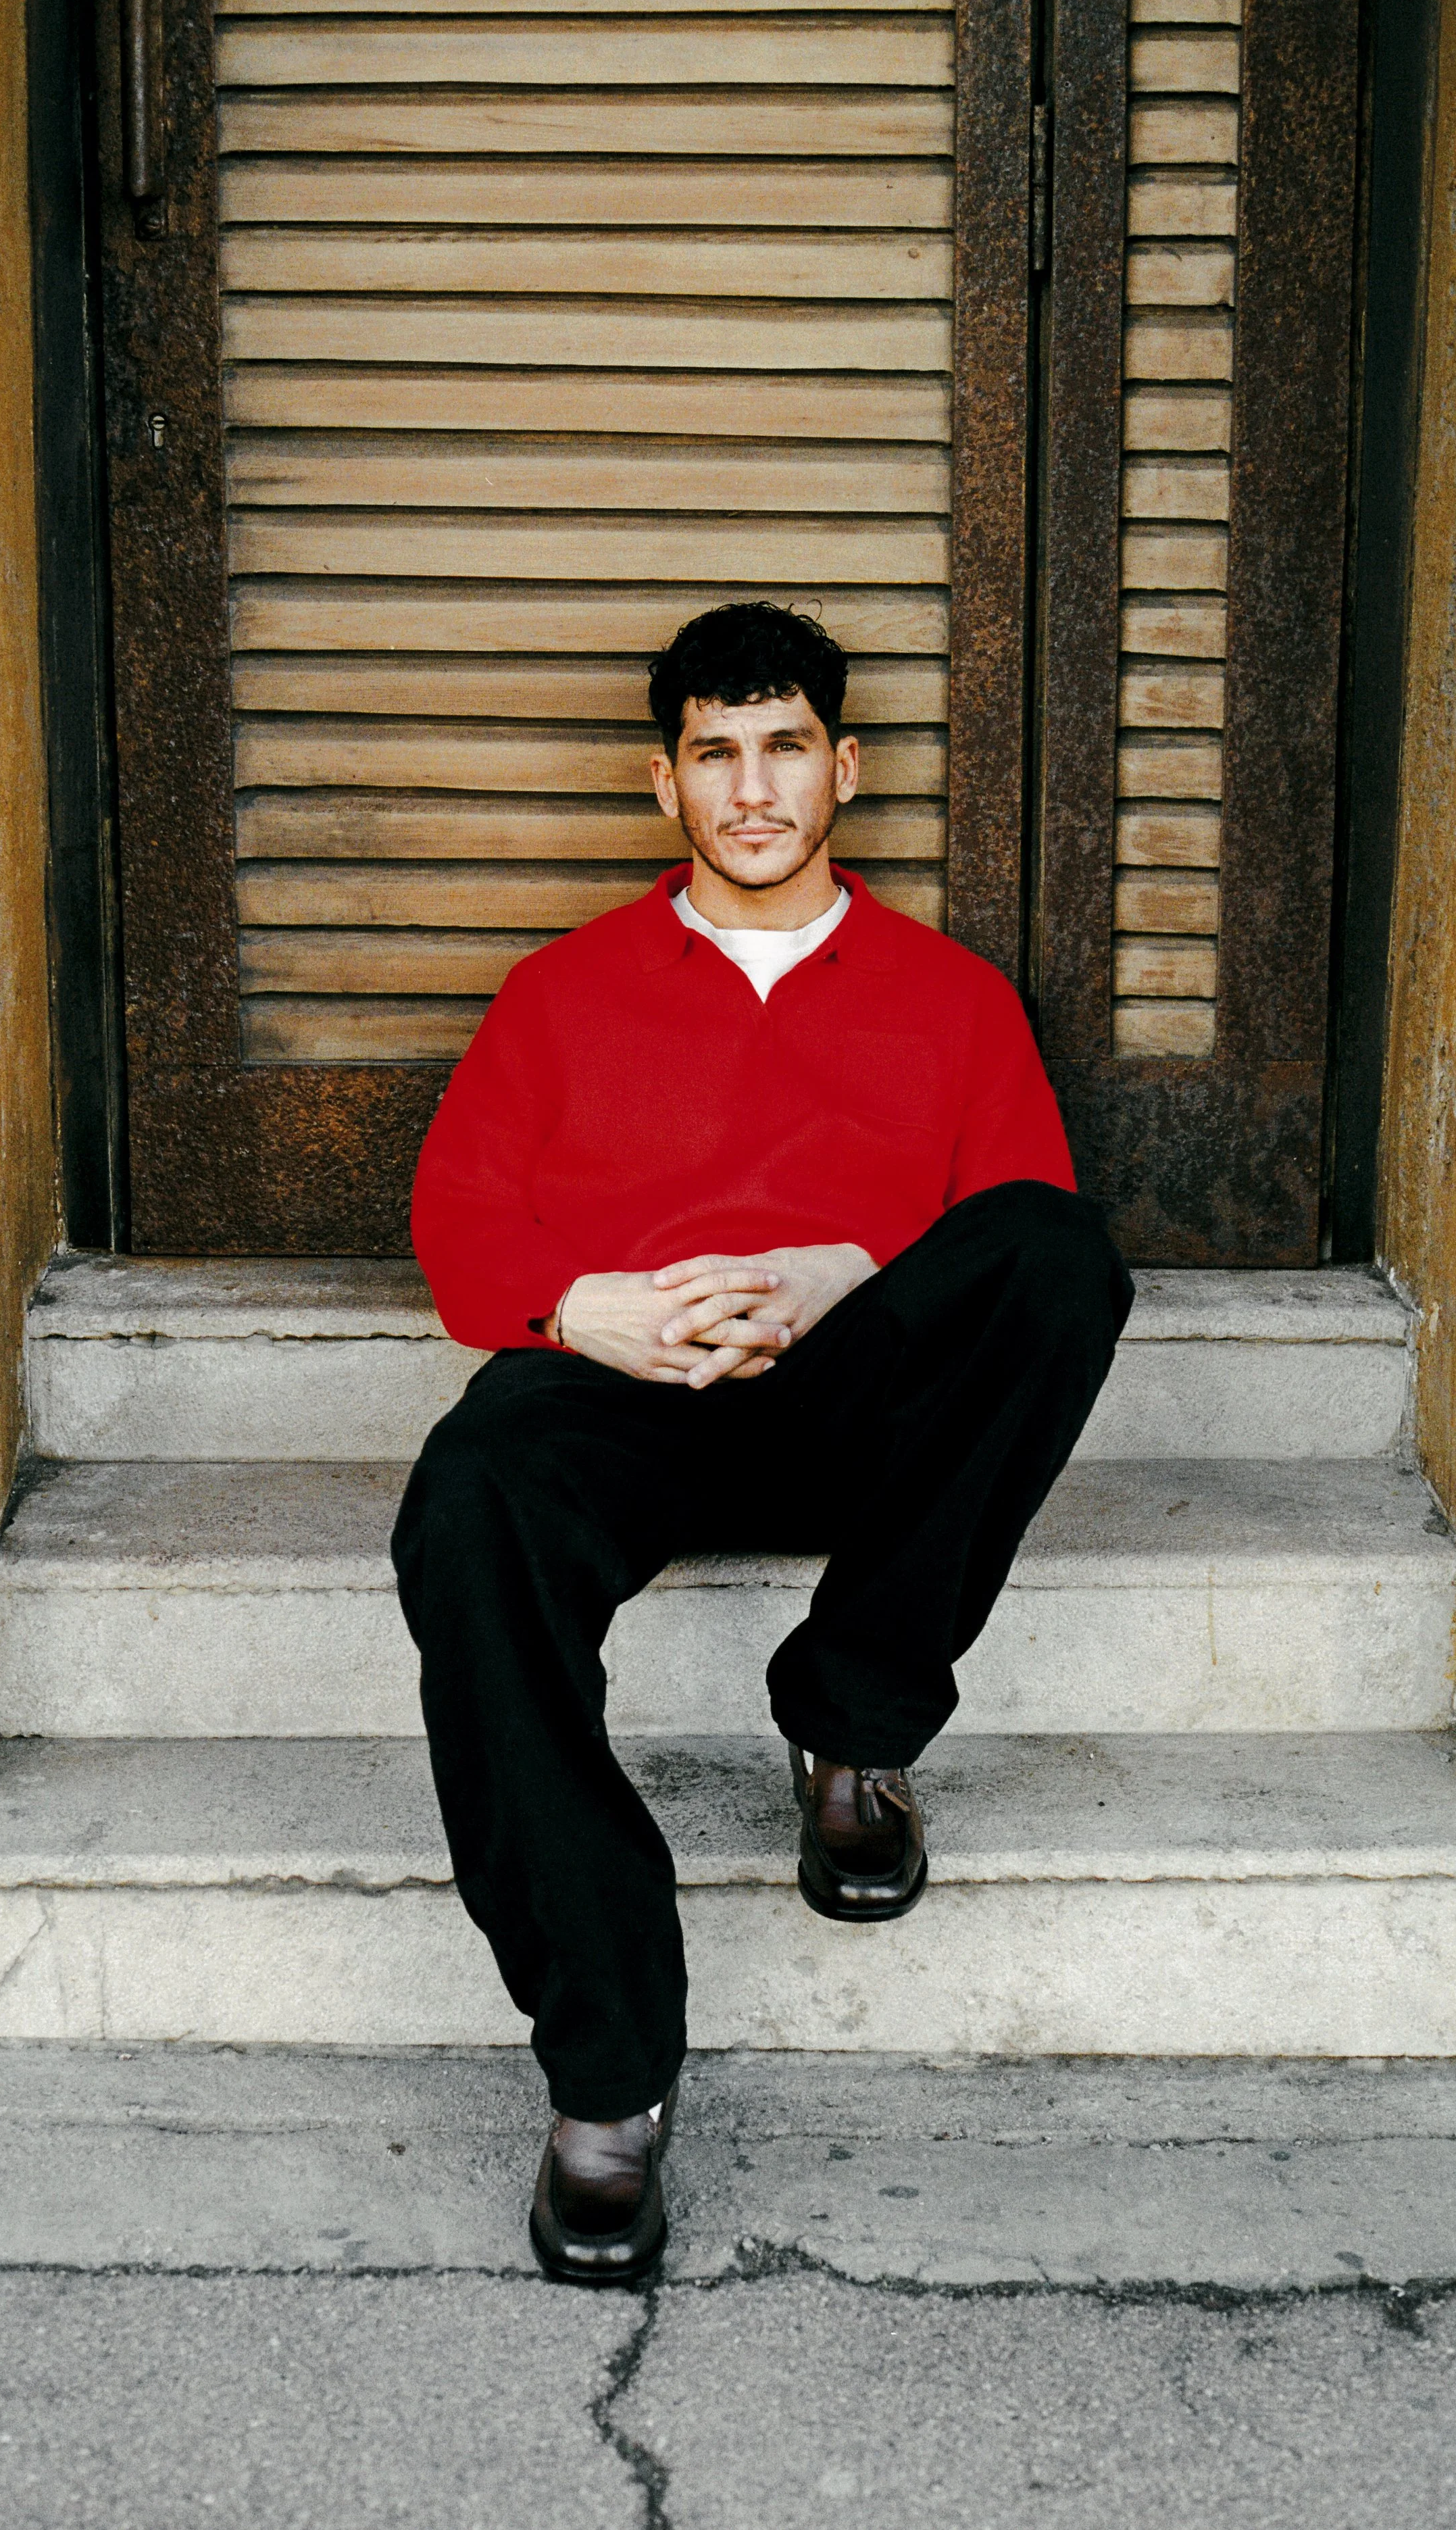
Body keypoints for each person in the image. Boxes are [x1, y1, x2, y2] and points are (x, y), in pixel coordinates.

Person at [391, 602, 1133, 2283]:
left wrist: (849, 1270)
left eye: (783, 744)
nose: (751, 785)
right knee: (467, 1499)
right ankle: (606, 2075)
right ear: (664, 783)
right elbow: (458, 1226)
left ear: (841, 767)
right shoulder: (562, 988)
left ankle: (851, 1733)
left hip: (844, 1385)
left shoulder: (948, 998)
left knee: (1053, 1258)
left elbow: (1019, 1237)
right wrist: (585, 1307)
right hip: (626, 1392)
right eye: (714, 753)